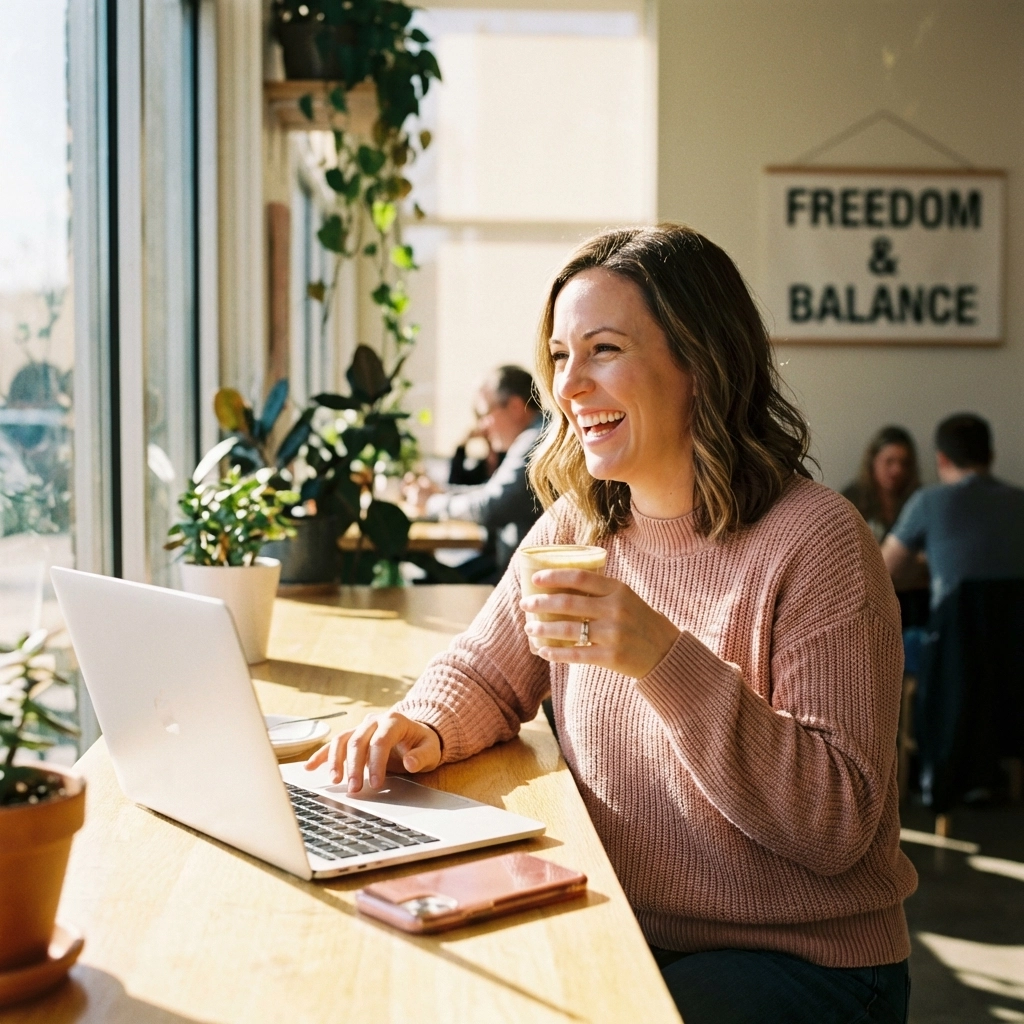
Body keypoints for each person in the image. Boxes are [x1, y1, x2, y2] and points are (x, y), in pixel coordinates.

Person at [309, 226, 915, 1024]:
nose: (569, 386)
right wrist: (417, 725)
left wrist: (663, 658)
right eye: (561, 356)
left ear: (699, 363)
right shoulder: (580, 526)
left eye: (602, 350)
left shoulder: (817, 542)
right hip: (631, 929)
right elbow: (489, 673)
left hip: (803, 959)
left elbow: (836, 823)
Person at [882, 413, 1024, 609]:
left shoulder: (927, 502)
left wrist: (923, 561)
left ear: (942, 459)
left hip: (954, 635)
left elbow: (884, 572)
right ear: (991, 456)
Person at [416, 365, 544, 582]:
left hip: (526, 582)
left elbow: (489, 507)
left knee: (427, 582)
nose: (482, 426)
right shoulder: (534, 433)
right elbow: (492, 491)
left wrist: (432, 503)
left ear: (514, 406)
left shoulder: (536, 439)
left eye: (484, 413)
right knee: (428, 578)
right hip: (519, 573)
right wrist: (442, 492)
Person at [842, 426, 920, 543]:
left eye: (904, 463)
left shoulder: (918, 499)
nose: (897, 470)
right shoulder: (853, 498)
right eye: (889, 461)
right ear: (873, 461)